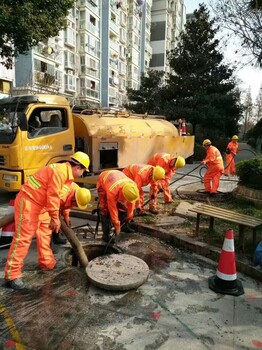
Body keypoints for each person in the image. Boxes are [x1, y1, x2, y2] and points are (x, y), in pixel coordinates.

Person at [4, 151, 90, 290]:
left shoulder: (71, 184)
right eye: (83, 171)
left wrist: (65, 217)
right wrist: (55, 218)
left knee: (45, 233)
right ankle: (12, 275)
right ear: (78, 167)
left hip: (42, 205)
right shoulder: (60, 172)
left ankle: (47, 263)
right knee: (23, 238)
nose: (83, 175)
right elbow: (54, 196)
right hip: (29, 201)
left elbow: (66, 203)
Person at [96, 170, 139, 243]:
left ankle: (124, 226)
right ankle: (106, 235)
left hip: (116, 178)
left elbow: (131, 202)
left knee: (123, 207)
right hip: (103, 182)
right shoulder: (112, 191)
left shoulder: (133, 186)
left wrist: (129, 215)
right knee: (105, 209)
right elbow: (112, 209)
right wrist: (116, 224)